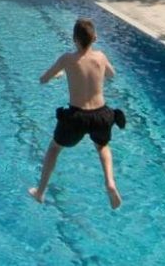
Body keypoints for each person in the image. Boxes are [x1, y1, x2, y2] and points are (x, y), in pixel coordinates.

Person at [29, 18, 126, 209]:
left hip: (76, 117)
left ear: (74, 39)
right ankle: (110, 182)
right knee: (103, 147)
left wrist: (58, 74)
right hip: (101, 115)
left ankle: (40, 192)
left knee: (54, 149)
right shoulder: (101, 57)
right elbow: (111, 74)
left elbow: (43, 79)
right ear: (95, 38)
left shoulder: (67, 59)